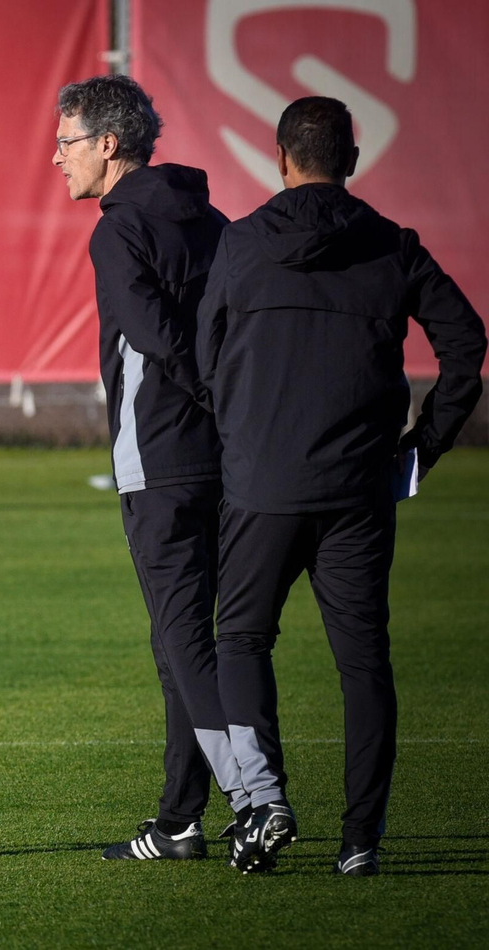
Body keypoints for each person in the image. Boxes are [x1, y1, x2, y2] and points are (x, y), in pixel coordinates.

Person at [197, 96, 486, 875]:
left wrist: (243, 433)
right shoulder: (392, 245)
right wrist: (421, 449)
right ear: (352, 160)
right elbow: (467, 346)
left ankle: (267, 802)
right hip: (358, 488)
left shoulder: (242, 243)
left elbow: (205, 355)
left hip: (261, 486)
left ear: (280, 158)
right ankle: (361, 841)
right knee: (363, 665)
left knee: (240, 642)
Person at [53, 75, 252, 862]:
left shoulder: (118, 230)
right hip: (226, 457)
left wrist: (205, 391)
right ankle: (178, 819)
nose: (57, 157)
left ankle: (252, 798)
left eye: (66, 142)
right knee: (184, 642)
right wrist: (230, 406)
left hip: (160, 457)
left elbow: (154, 334)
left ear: (108, 144)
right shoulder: (213, 220)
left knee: (182, 640)